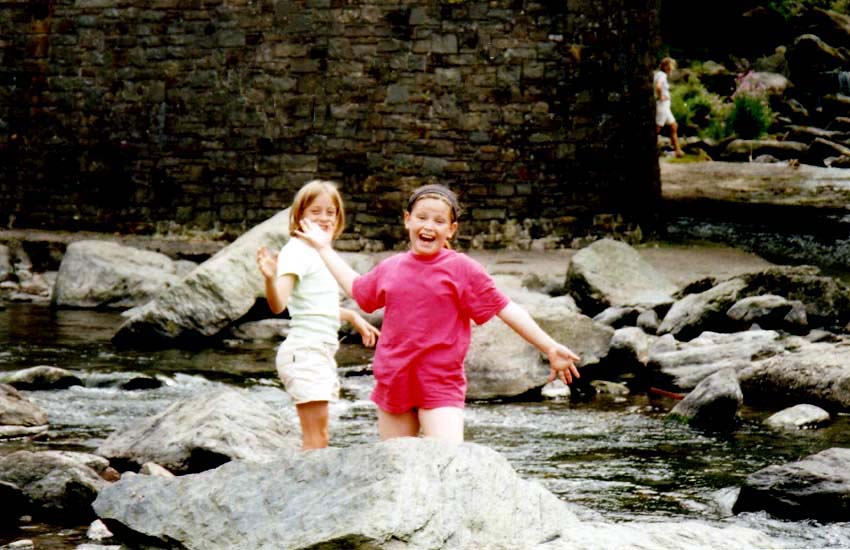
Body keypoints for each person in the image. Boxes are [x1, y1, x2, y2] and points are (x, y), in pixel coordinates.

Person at [296, 184, 581, 444]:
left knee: (445, 462)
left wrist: (549, 346)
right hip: (394, 379)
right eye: (422, 217)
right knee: (396, 468)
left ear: (451, 229)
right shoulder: (391, 267)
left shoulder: (462, 269)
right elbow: (359, 291)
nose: (429, 226)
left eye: (439, 221)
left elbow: (506, 309)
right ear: (407, 219)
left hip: (440, 382)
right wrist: (323, 247)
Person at [257, 180, 380, 450]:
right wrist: (270, 279)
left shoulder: (320, 253)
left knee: (320, 437)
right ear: (300, 216)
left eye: (330, 212)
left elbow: (314, 306)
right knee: (316, 440)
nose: (324, 218)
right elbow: (278, 304)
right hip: (305, 353)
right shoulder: (298, 250)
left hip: (318, 351)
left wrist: (352, 317)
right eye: (316, 211)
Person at [654, 57, 685, 158]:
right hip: (662, 106)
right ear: (666, 66)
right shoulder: (662, 75)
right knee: (657, 128)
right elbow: (658, 87)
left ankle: (678, 151)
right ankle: (649, 148)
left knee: (673, 126)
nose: (672, 68)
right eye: (671, 65)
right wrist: (660, 96)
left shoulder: (660, 75)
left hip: (665, 107)